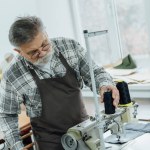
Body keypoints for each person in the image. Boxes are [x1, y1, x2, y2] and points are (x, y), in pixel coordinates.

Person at [0, 16, 119, 150]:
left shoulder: (70, 47)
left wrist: (104, 84)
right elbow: (6, 115)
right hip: (49, 143)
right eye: (33, 52)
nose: (42, 53)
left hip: (84, 133)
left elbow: (96, 73)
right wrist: (17, 147)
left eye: (44, 44)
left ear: (46, 33)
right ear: (19, 52)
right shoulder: (13, 75)